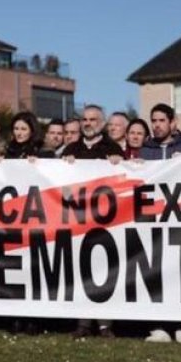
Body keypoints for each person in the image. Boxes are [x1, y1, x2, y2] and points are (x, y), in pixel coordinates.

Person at [64, 105, 121, 339]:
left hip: (106, 221)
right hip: (77, 219)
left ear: (102, 123)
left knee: (104, 270)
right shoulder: (71, 149)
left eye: (93, 119)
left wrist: (119, 161)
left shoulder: (112, 148)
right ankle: (83, 323)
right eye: (84, 119)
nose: (88, 123)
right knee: (81, 270)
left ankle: (105, 325)